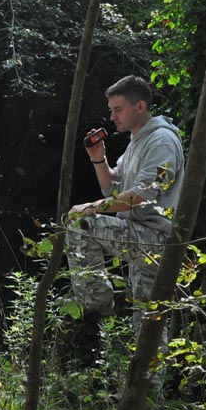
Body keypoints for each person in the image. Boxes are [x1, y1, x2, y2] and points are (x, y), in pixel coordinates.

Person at [66, 75, 185, 335]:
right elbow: (113, 189)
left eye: (118, 110)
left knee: (81, 223)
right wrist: (99, 159)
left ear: (139, 106)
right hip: (142, 236)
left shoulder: (161, 141)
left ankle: (95, 312)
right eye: (111, 110)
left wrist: (91, 208)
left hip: (154, 238)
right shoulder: (137, 142)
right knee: (148, 326)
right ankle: (147, 373)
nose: (112, 117)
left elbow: (143, 195)